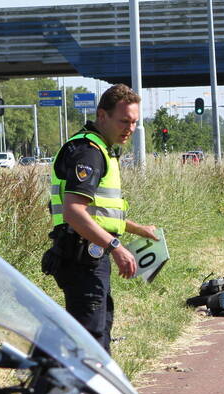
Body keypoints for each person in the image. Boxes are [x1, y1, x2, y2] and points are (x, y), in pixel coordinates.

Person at [42, 83, 159, 352]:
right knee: (91, 340)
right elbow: (74, 212)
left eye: (134, 122)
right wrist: (116, 246)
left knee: (98, 331)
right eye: (124, 121)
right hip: (81, 256)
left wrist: (137, 229)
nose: (130, 128)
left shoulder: (101, 149)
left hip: (88, 255)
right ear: (102, 115)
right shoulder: (88, 152)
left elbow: (97, 214)